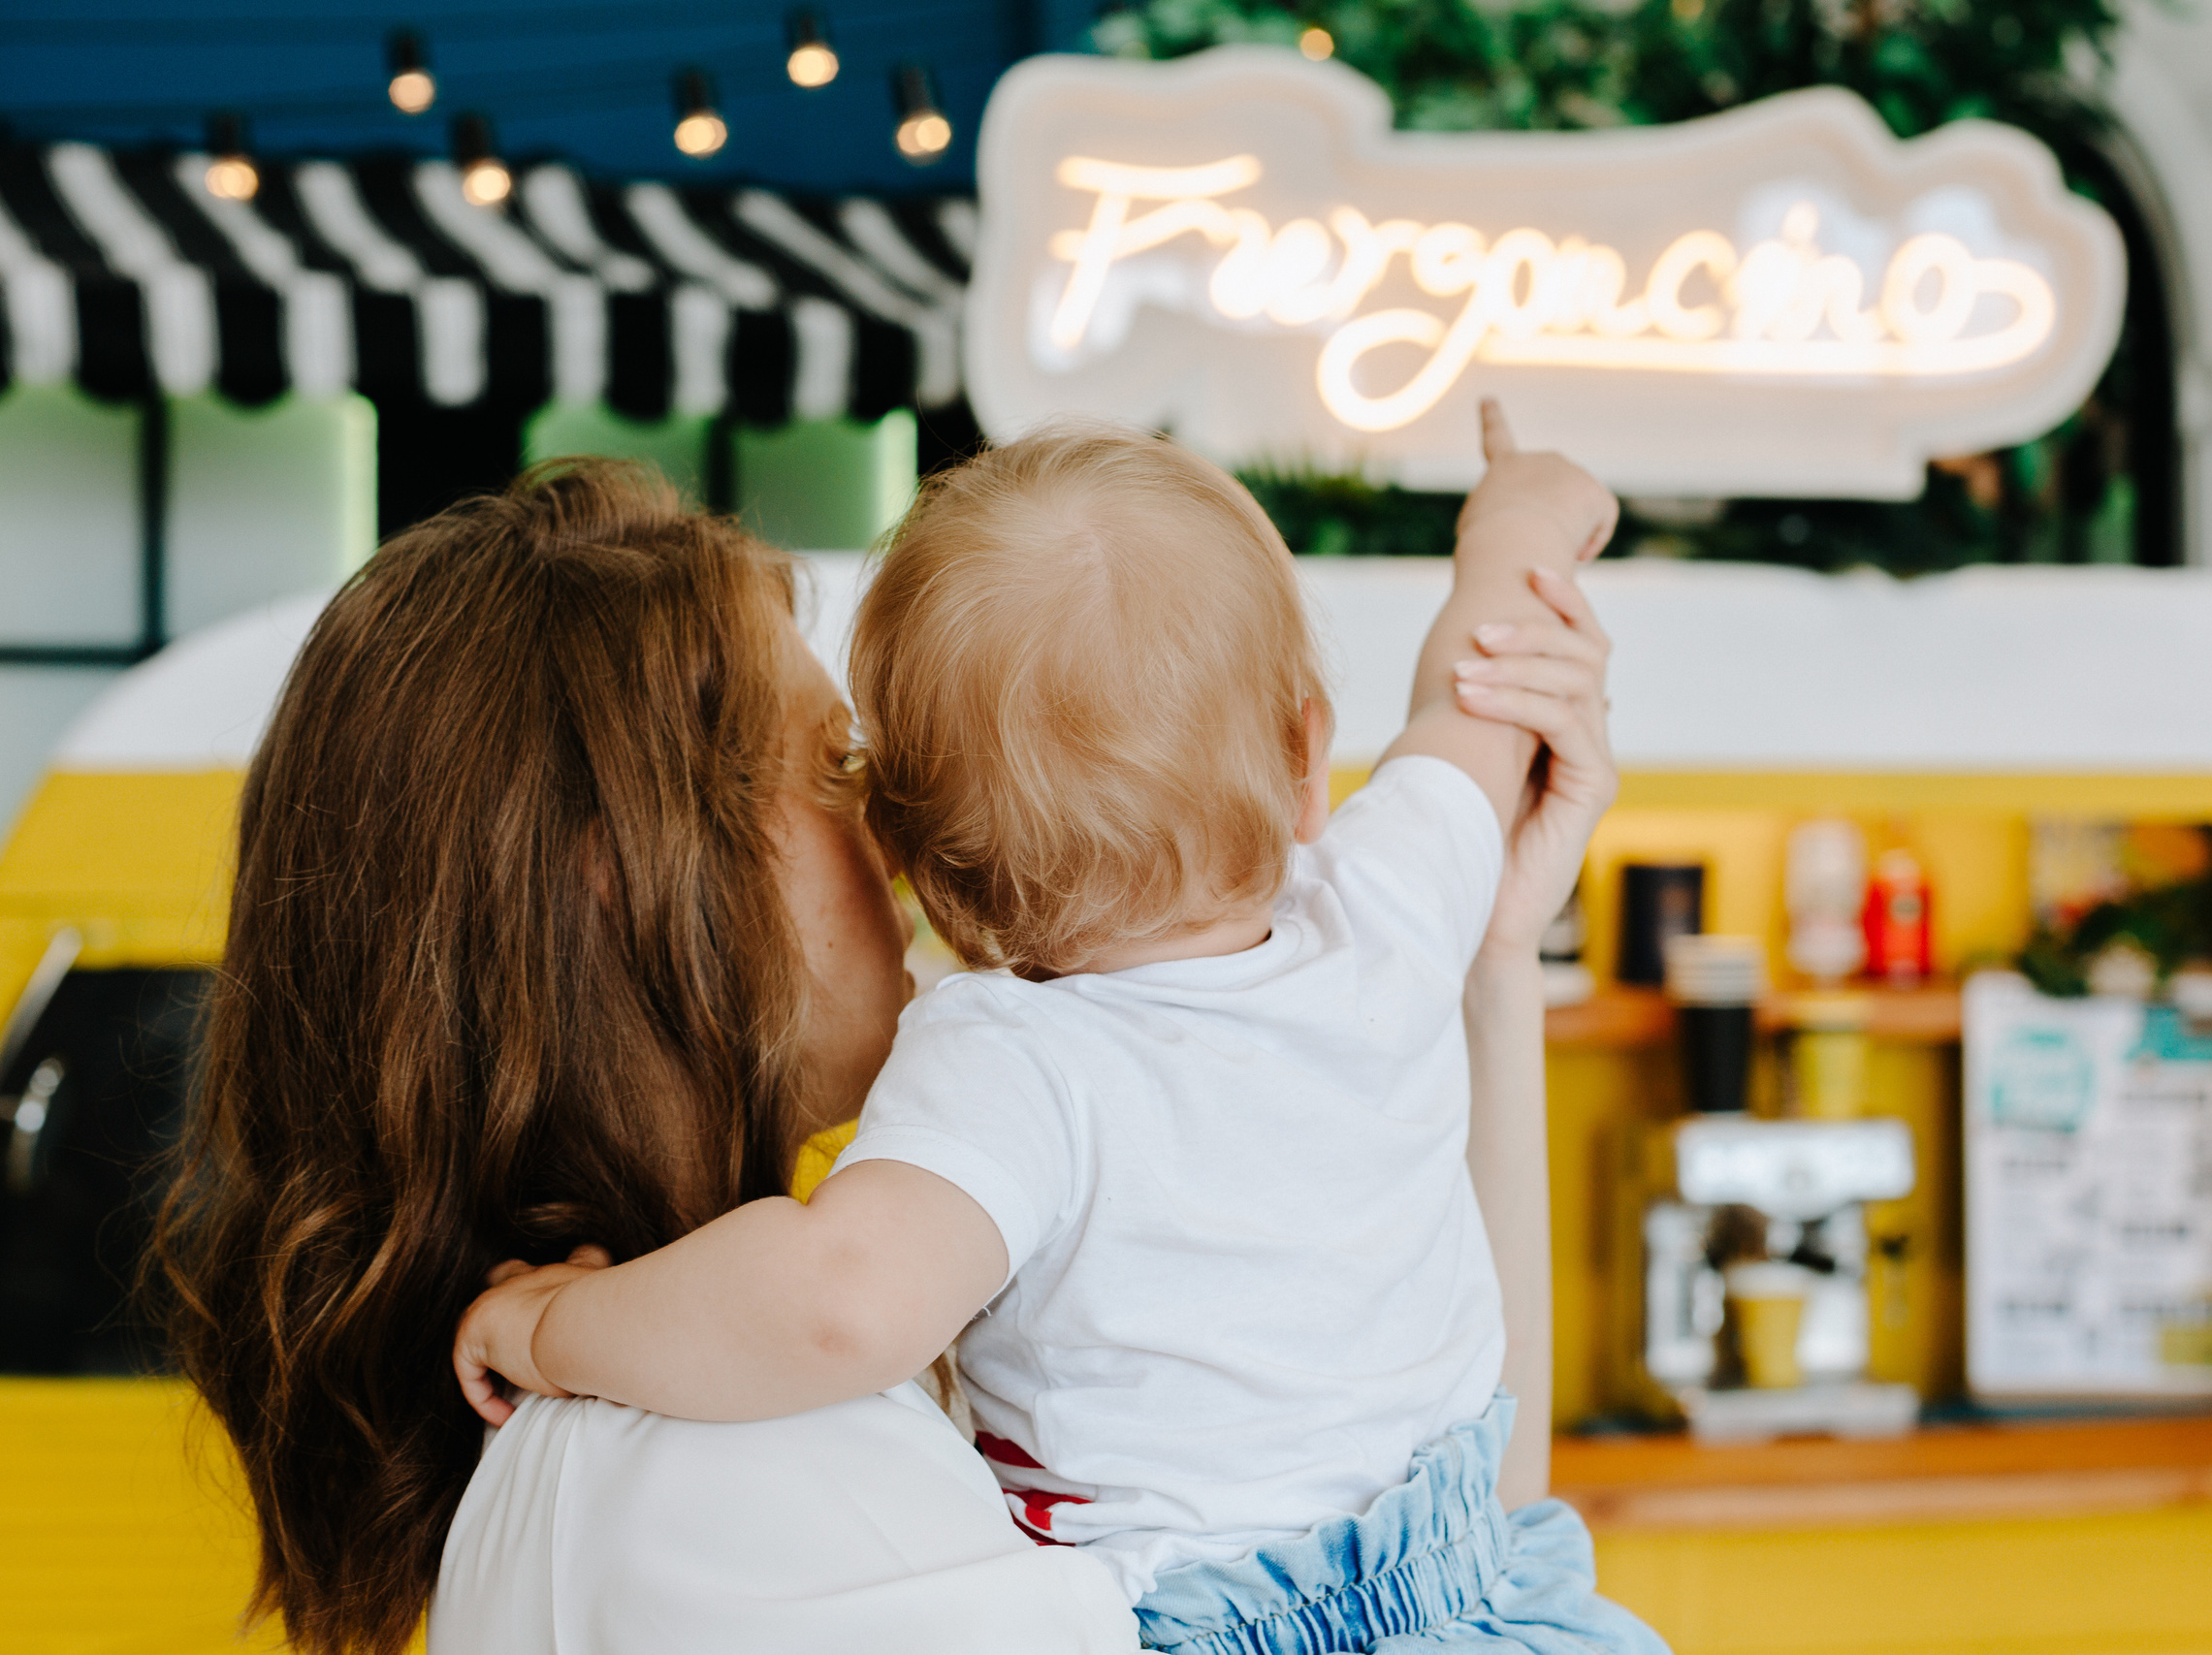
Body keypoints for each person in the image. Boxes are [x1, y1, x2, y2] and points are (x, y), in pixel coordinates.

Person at [148, 455, 1618, 1655]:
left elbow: (1445, 1501)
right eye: (847, 768)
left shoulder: (738, 1371)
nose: (920, 846)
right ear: (635, 882)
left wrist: (1481, 968)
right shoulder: (720, 1477)